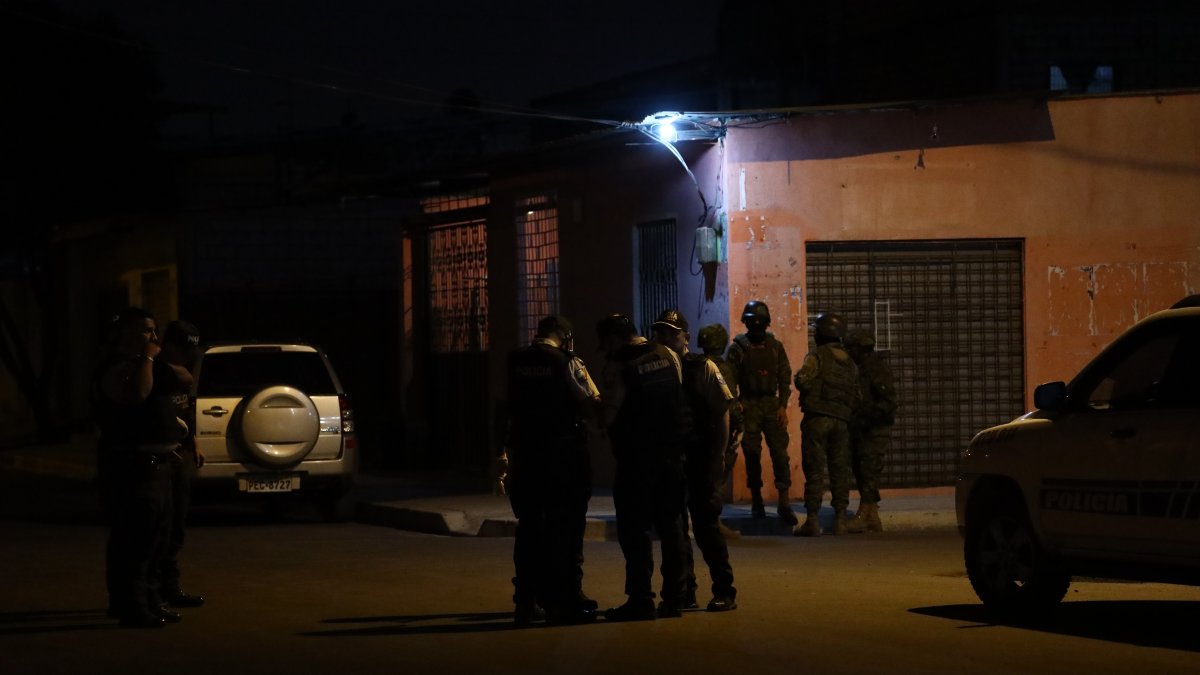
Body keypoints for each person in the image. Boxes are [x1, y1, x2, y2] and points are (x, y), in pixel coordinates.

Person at [93, 307, 189, 628]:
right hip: (132, 465)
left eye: (154, 330)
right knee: (133, 540)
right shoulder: (119, 368)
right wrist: (148, 359)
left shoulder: (145, 365)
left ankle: (148, 600)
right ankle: (130, 607)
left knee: (155, 539)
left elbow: (183, 380)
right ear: (125, 334)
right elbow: (139, 394)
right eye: (145, 331)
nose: (153, 337)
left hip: (157, 463)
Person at [505, 315, 601, 625]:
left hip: (526, 456)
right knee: (565, 528)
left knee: (530, 527)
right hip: (562, 457)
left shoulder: (514, 361)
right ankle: (563, 600)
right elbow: (590, 403)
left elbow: (502, 406)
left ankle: (526, 601)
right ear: (563, 335)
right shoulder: (567, 362)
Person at [596, 313, 690, 622]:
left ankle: (641, 599)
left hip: (637, 461)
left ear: (612, 338)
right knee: (672, 527)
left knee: (635, 531)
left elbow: (609, 414)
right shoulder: (667, 355)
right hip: (673, 457)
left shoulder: (619, 365)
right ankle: (675, 598)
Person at [651, 311, 737, 613]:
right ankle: (684, 590)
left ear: (685, 337)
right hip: (671, 460)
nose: (665, 339)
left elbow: (722, 413)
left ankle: (725, 590)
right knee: (674, 530)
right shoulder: (655, 368)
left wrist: (719, 458)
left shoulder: (703, 368)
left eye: (672, 334)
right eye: (661, 333)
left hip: (700, 458)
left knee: (705, 527)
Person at [727, 300, 797, 526]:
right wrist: (738, 403)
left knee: (779, 454)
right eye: (752, 321)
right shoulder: (738, 347)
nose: (756, 325)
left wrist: (782, 405)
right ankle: (757, 500)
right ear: (746, 322)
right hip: (750, 404)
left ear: (766, 323)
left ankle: (784, 502)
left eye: (760, 321)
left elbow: (785, 376)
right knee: (752, 453)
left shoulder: (775, 347)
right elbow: (729, 379)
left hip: (770, 404)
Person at [792, 312, 860, 537]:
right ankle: (840, 520)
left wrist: (798, 378)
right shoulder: (850, 361)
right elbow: (857, 395)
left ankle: (812, 520)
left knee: (814, 470)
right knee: (840, 471)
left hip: (818, 419)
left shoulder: (817, 355)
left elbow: (804, 380)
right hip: (841, 422)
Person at [154, 320, 206, 607]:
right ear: (168, 344)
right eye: (182, 349)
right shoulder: (156, 371)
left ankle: (170, 587)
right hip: (161, 457)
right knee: (159, 527)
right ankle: (155, 589)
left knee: (176, 527)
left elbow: (185, 410)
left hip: (179, 456)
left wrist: (193, 441)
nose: (188, 356)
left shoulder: (179, 372)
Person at [843, 329, 898, 534]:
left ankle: (865, 513)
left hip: (874, 430)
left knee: (869, 471)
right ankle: (872, 516)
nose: (849, 353)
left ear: (860, 349)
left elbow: (888, 403)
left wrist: (867, 418)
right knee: (862, 470)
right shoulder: (862, 368)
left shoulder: (876, 369)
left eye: (851, 349)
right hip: (862, 429)